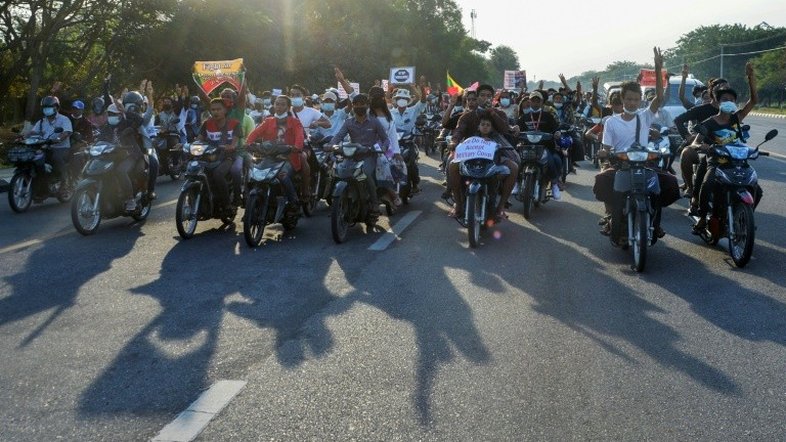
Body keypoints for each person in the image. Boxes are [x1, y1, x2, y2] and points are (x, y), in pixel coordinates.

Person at [595, 47, 679, 244]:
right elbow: (606, 149)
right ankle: (612, 216)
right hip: (620, 164)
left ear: (640, 100)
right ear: (622, 100)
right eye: (628, 99)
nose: (632, 103)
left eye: (635, 99)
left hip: (644, 164)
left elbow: (660, 96)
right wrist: (603, 153)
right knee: (602, 180)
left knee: (669, 183)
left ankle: (655, 221)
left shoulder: (645, 115)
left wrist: (658, 69)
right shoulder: (611, 122)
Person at [692, 73, 758, 233]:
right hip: (716, 162)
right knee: (707, 185)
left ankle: (743, 215)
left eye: (731, 100)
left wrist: (750, 79)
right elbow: (696, 142)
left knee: (757, 189)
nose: (728, 102)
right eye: (724, 100)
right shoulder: (709, 123)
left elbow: (754, 101)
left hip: (738, 162)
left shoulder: (737, 118)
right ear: (717, 102)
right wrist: (703, 147)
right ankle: (701, 218)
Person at [449, 88, 519, 219]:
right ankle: (458, 204)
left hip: (495, 156)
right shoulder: (467, 116)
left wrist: (492, 113)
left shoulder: (500, 114)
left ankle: (500, 207)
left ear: (493, 98)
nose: (485, 98)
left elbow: (505, 129)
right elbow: (458, 131)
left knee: (514, 167)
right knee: (451, 164)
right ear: (477, 97)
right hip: (469, 155)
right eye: (482, 95)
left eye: (488, 95)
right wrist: (454, 142)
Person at [329, 93, 390, 216]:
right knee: (338, 172)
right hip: (351, 156)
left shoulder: (374, 122)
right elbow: (338, 136)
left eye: (362, 104)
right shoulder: (348, 122)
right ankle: (335, 202)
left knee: (365, 174)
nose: (359, 106)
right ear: (353, 107)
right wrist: (331, 145)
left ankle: (374, 204)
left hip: (369, 156)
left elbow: (385, 139)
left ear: (367, 105)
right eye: (356, 104)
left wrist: (383, 148)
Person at [245, 95, 305, 209]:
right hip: (269, 157)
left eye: (282, 104)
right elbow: (255, 133)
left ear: (288, 108)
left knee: (283, 176)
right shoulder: (268, 121)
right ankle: (248, 203)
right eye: (277, 104)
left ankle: (293, 203)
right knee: (253, 175)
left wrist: (296, 147)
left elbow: (300, 136)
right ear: (273, 105)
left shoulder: (295, 122)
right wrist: (248, 143)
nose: (279, 107)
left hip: (288, 158)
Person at [23, 96, 73, 194]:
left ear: (56, 108)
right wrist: (23, 136)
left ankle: (64, 183)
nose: (47, 110)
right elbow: (32, 132)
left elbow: (66, 132)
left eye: (49, 107)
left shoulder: (64, 119)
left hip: (60, 147)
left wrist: (58, 139)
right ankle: (40, 186)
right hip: (44, 147)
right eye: (45, 107)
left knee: (56, 159)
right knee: (33, 159)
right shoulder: (41, 121)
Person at [198, 98, 242, 208]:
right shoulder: (206, 124)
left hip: (227, 157)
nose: (215, 112)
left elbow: (234, 143)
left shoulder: (235, 124)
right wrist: (186, 145)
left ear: (225, 110)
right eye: (213, 110)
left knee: (218, 174)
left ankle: (227, 204)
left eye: (218, 109)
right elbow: (199, 140)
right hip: (208, 157)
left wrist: (231, 146)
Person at [518, 91, 563, 200]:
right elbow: (518, 129)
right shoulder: (525, 117)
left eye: (538, 101)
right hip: (527, 147)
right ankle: (516, 183)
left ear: (542, 102)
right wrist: (515, 131)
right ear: (530, 101)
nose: (536, 103)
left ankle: (554, 185)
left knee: (552, 160)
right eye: (533, 101)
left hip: (545, 147)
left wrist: (557, 133)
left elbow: (556, 129)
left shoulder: (548, 116)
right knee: (517, 160)